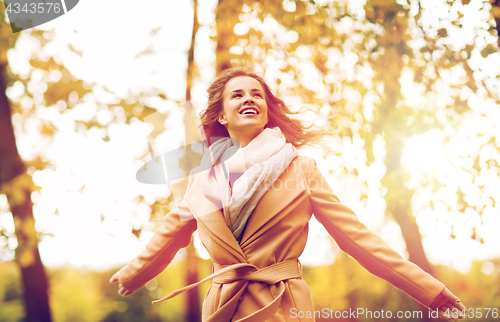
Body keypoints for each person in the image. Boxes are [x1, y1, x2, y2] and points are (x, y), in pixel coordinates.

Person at [110, 66, 466, 321]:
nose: (249, 99)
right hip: (223, 306)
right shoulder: (202, 178)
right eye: (238, 94)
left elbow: (357, 239)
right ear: (221, 115)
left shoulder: (301, 168)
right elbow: (170, 232)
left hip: (283, 305)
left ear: (266, 111)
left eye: (257, 95)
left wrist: (428, 291)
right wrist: (132, 274)